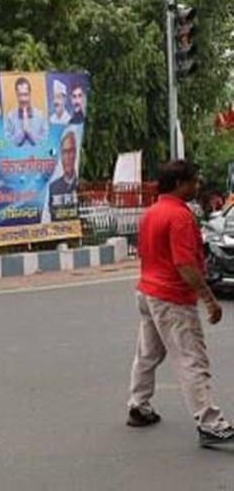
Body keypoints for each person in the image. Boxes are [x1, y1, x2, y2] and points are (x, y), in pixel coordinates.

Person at [126, 159, 234, 446]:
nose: (197, 186)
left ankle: (139, 405)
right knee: (192, 359)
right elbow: (185, 264)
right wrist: (209, 300)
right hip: (172, 297)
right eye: (193, 181)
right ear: (179, 184)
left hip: (147, 292)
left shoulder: (151, 213)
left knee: (148, 354)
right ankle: (210, 423)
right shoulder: (179, 217)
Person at [4, 77, 48, 147]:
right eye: (20, 95)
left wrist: (29, 133)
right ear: (16, 95)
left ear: (30, 94)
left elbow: (46, 142)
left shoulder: (40, 115)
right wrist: (22, 133)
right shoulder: (10, 117)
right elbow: (7, 143)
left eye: (25, 94)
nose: (23, 99)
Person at [48, 130, 79, 221]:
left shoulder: (80, 185)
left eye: (70, 151)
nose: (67, 157)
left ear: (75, 153)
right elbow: (52, 213)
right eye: (64, 152)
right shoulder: (53, 187)